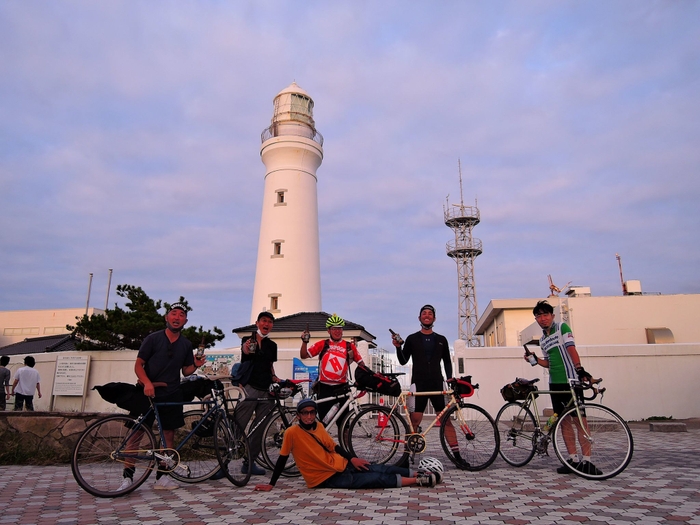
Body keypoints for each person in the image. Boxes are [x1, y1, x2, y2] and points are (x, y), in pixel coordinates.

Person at [254, 399, 440, 491]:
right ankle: (419, 481)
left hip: (341, 464)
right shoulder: (291, 433)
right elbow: (282, 458)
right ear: (298, 415)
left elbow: (333, 446)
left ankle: (418, 473)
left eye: (312, 412)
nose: (309, 416)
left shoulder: (318, 426)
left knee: (378, 467)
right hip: (325, 478)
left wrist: (352, 458)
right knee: (375, 479)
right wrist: (271, 484)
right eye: (305, 413)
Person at [120, 302, 206, 491]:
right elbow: (138, 365)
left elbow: (185, 371)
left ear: (186, 320)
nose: (177, 317)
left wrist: (197, 364)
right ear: (166, 318)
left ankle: (162, 476)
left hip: (172, 392)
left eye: (181, 315)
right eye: (173, 314)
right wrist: (147, 383)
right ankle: (127, 477)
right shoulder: (153, 339)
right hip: (147, 391)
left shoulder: (186, 344)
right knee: (136, 433)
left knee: (168, 434)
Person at [526, 300, 601, 475]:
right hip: (555, 384)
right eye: (539, 316)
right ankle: (573, 460)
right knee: (564, 422)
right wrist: (536, 360)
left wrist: (579, 369)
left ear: (552, 316)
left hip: (572, 381)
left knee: (580, 421)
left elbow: (571, 348)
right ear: (536, 319)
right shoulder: (543, 340)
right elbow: (549, 363)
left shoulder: (562, 328)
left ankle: (587, 461)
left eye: (546, 315)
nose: (543, 319)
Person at [393, 305, 466, 467]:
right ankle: (405, 457)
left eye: (430, 313)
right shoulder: (412, 339)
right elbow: (403, 360)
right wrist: (398, 348)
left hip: (436, 383)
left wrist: (449, 379)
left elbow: (447, 361)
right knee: (414, 421)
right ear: (419, 318)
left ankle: (458, 457)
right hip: (418, 384)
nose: (427, 316)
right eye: (424, 313)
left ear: (434, 318)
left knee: (446, 421)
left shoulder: (441, 339)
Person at [235, 311, 280, 476]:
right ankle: (223, 460)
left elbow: (270, 366)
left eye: (269, 322)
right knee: (239, 423)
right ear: (257, 322)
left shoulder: (272, 345)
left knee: (260, 427)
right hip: (249, 386)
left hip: (266, 388)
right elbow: (246, 352)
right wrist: (247, 347)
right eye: (264, 321)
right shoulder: (247, 340)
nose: (266, 324)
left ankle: (250, 461)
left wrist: (275, 378)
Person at [299, 314, 364, 426]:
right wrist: (305, 342)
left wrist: (366, 379)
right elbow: (304, 355)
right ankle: (322, 442)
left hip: (342, 388)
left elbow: (362, 364)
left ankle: (344, 444)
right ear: (329, 330)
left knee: (344, 424)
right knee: (323, 424)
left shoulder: (349, 346)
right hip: (324, 388)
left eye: (339, 328)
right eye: (334, 328)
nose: (337, 331)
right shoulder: (323, 344)